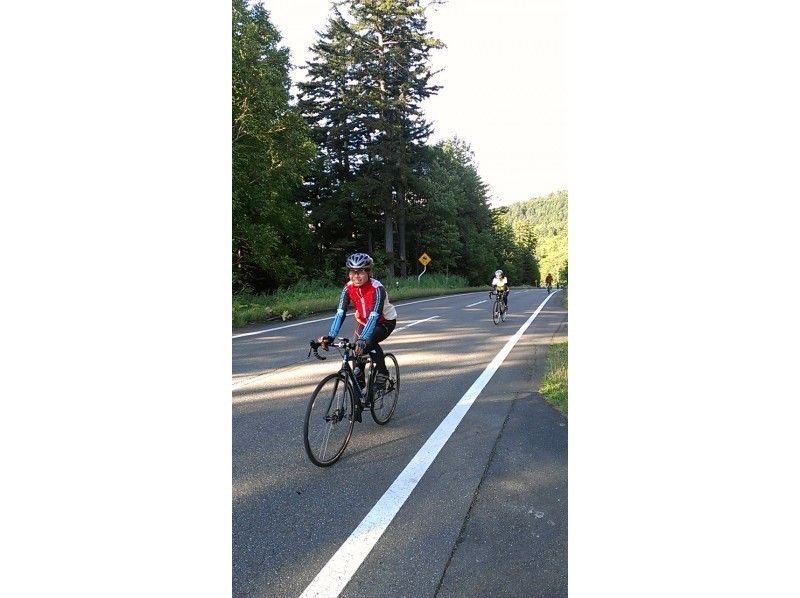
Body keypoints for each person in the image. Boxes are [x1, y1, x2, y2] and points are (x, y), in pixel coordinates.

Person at [318, 252, 397, 421]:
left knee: (367, 342)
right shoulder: (347, 288)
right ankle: (359, 383)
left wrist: (364, 339)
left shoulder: (377, 289)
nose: (356, 276)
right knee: (355, 353)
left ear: (369, 272)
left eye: (361, 272)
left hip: (384, 321)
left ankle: (382, 373)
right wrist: (331, 336)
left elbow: (375, 316)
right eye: (352, 272)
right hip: (363, 321)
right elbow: (340, 313)